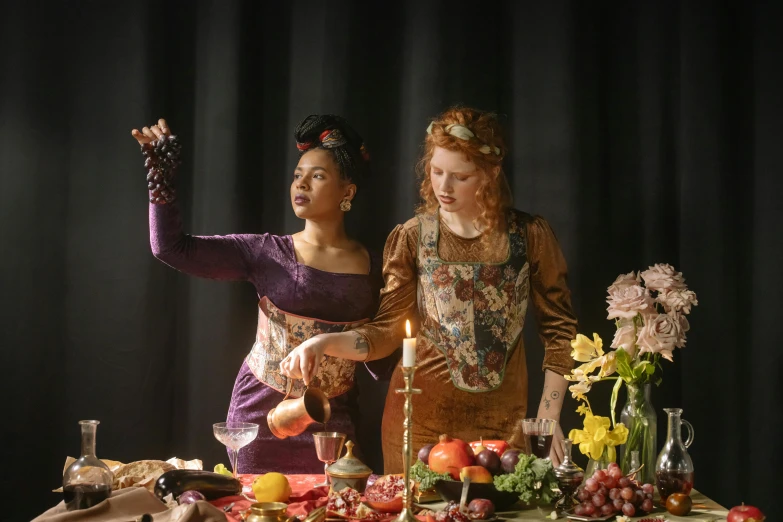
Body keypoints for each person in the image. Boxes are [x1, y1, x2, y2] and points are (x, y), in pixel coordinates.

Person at [280, 106, 578, 470]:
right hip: (417, 426)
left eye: (460, 176)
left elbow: (560, 331)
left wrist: (547, 420)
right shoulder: (413, 237)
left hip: (504, 425)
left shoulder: (529, 236)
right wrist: (325, 342)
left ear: (491, 173)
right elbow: (388, 330)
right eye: (437, 172)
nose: (444, 187)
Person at [131, 115, 386, 473]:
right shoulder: (267, 253)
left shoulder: (379, 266)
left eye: (317, 176)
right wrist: (161, 182)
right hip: (260, 418)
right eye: (298, 175)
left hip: (334, 419)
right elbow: (171, 248)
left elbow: (388, 341)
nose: (301, 184)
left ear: (348, 192)